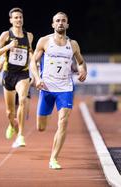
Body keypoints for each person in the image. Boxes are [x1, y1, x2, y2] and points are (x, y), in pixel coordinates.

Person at [30, 12, 87, 169]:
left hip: (65, 88)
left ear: (67, 24)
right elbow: (33, 62)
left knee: (63, 121)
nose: (60, 23)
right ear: (53, 24)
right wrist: (37, 78)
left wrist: (83, 70)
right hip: (47, 88)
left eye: (63, 21)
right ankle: (45, 115)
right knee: (41, 127)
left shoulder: (73, 44)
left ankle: (53, 158)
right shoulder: (44, 41)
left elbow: (81, 62)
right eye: (57, 21)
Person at [0, 7, 33, 148]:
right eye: (15, 17)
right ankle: (11, 124)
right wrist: (8, 46)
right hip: (8, 74)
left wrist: (35, 64)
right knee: (10, 112)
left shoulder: (29, 36)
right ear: (11, 20)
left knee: (22, 100)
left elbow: (30, 52)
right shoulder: (5, 35)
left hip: (23, 74)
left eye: (20, 17)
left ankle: (20, 135)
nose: (18, 20)